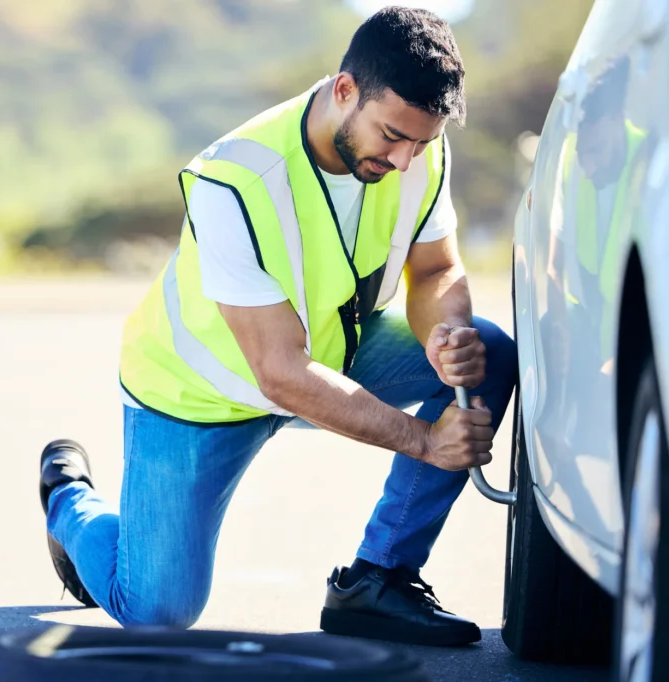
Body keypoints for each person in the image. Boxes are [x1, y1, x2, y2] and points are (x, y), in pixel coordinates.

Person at [37, 6, 517, 647]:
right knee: (156, 611)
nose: (405, 160)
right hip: (199, 394)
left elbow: (433, 270)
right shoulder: (232, 179)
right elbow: (280, 374)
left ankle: (378, 582)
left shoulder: (417, 145)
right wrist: (427, 441)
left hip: (331, 352)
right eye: (392, 136)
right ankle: (69, 500)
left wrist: (445, 336)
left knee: (486, 348)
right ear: (345, 89)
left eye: (420, 143)